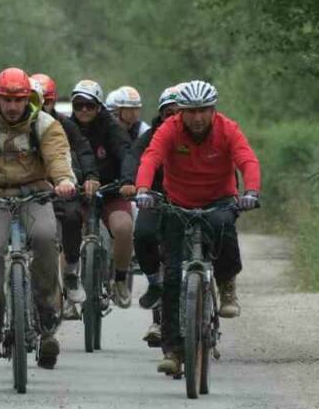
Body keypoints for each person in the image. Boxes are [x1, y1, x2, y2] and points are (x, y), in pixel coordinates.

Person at [0, 67, 77, 368]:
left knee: (46, 239)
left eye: (18, 99)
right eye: (6, 99)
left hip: (34, 194)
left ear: (29, 99)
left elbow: (58, 156)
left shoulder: (45, 124)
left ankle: (48, 322)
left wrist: (64, 180)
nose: (12, 106)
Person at [135, 80, 261, 376]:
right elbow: (151, 157)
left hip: (219, 200)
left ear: (212, 110)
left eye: (203, 110)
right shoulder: (170, 129)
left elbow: (247, 159)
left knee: (223, 228)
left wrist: (251, 192)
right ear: (181, 111)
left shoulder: (227, 128)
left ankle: (227, 284)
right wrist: (142, 188)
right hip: (178, 203)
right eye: (191, 111)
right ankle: (174, 352)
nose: (197, 117)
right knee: (173, 280)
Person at [64, 80, 138, 307]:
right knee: (66, 233)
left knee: (124, 228)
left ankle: (120, 279)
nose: (84, 110)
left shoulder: (112, 127)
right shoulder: (64, 128)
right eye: (78, 105)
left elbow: (127, 154)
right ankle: (67, 288)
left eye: (89, 105)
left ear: (99, 106)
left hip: (111, 190)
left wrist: (127, 181)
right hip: (76, 191)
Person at [31, 72, 98, 319]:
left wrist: (88, 176)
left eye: (45, 100)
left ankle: (70, 271)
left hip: (61, 187)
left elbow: (83, 150)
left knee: (71, 216)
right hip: (27, 191)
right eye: (34, 100)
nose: (41, 106)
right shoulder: (15, 125)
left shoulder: (64, 125)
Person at [133, 84, 182, 346]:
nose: (173, 118)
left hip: (192, 202)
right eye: (167, 113)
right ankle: (156, 298)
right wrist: (137, 185)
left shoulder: (203, 135)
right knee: (144, 236)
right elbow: (138, 160)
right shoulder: (152, 136)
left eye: (179, 113)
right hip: (156, 198)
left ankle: (215, 288)